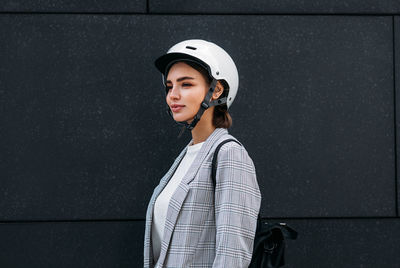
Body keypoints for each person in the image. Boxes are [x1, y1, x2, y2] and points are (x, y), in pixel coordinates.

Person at [143, 39, 261, 268]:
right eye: (169, 86)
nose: (173, 95)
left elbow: (232, 256)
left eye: (185, 84)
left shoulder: (229, 155)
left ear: (216, 89)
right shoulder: (187, 157)